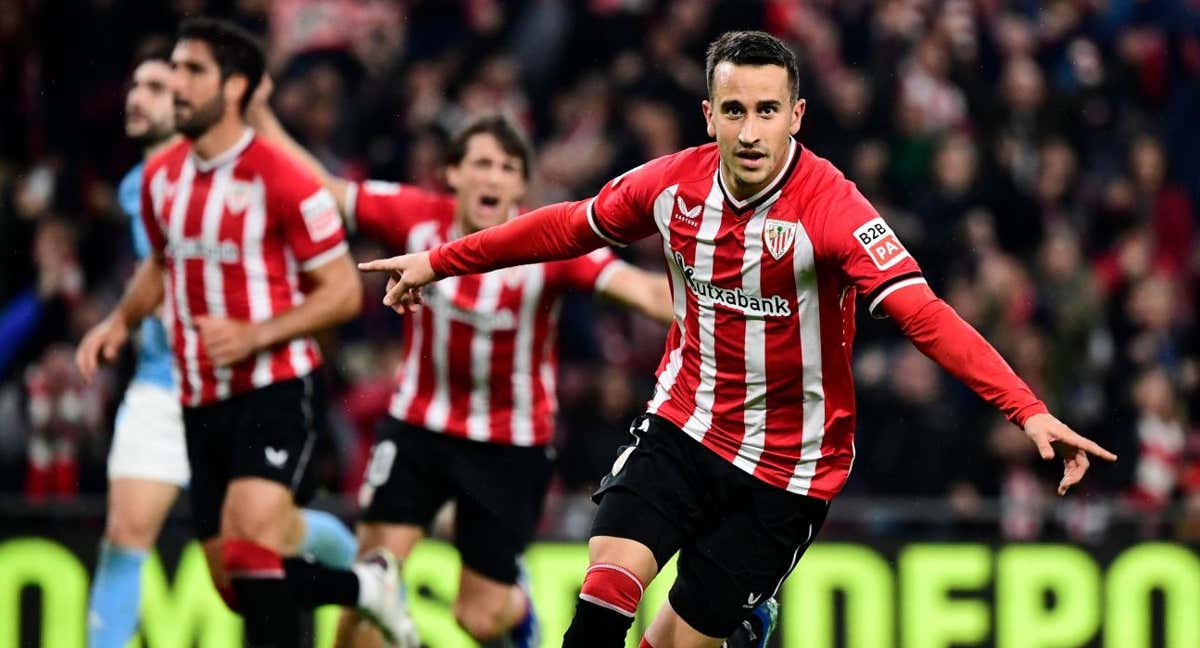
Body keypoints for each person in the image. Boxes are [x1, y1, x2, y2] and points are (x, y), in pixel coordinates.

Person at [359, 31, 1118, 647]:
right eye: (734, 111)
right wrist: (437, 260)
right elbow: (565, 226)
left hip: (789, 468)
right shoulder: (671, 185)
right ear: (709, 115)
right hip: (684, 424)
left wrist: (1027, 410)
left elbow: (924, 314)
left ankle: (744, 619)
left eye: (766, 111)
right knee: (604, 591)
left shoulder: (835, 211)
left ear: (797, 115)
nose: (750, 132)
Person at [249, 94, 678, 646]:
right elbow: (322, 189)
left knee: (476, 618)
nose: (492, 177)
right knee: (369, 592)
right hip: (418, 428)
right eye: (480, 163)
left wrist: (724, 299)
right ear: (452, 173)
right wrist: (258, 114)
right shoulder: (416, 219)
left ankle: (516, 607)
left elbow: (640, 289)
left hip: (509, 445)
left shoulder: (547, 244)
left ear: (521, 186)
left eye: (506, 167)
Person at [75, 18, 410, 647]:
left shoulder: (283, 178)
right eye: (173, 69)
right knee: (234, 581)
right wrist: (119, 321)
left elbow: (341, 290)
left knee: (253, 547)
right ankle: (366, 587)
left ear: (234, 89)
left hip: (275, 387)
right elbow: (159, 263)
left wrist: (258, 334)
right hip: (200, 399)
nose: (176, 84)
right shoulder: (161, 178)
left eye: (191, 71)